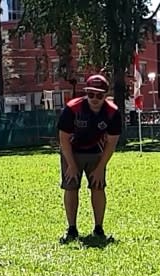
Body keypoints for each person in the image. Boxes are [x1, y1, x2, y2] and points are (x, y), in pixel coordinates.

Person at [56, 74, 122, 244]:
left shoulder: (112, 112)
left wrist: (101, 168)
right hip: (72, 151)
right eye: (91, 94)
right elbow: (63, 138)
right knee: (71, 187)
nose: (94, 99)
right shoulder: (72, 109)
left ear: (105, 96)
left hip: (96, 152)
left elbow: (111, 143)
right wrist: (71, 164)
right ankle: (71, 229)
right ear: (86, 93)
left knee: (98, 187)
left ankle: (98, 228)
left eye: (99, 95)